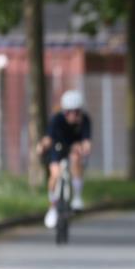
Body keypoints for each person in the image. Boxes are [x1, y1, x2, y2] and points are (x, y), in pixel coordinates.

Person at [40, 90, 92, 229]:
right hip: (58, 148)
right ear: (65, 111)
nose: (74, 115)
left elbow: (87, 141)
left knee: (76, 158)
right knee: (55, 175)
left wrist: (85, 148)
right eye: (70, 112)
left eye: (77, 112)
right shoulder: (57, 119)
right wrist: (42, 146)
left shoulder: (84, 120)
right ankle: (52, 207)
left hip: (74, 150)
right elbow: (48, 138)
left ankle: (77, 197)